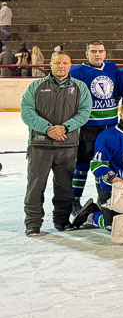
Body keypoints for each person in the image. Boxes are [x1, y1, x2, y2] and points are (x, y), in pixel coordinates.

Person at [20, 51, 92, 235]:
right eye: (57, 63)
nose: (61, 66)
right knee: (35, 187)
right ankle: (33, 224)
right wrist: (48, 128)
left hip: (67, 146)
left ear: (70, 65)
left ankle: (62, 221)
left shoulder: (80, 88)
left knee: (64, 187)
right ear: (50, 65)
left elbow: (84, 112)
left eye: (65, 63)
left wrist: (65, 128)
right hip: (40, 145)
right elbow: (27, 112)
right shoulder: (36, 86)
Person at [69, 40, 120, 208]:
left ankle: (104, 197)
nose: (97, 54)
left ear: (105, 53)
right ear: (87, 54)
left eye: (100, 51)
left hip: (111, 126)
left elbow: (119, 92)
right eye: (93, 51)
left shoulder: (112, 68)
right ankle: (75, 200)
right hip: (88, 126)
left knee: (107, 162)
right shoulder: (77, 71)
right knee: (83, 162)